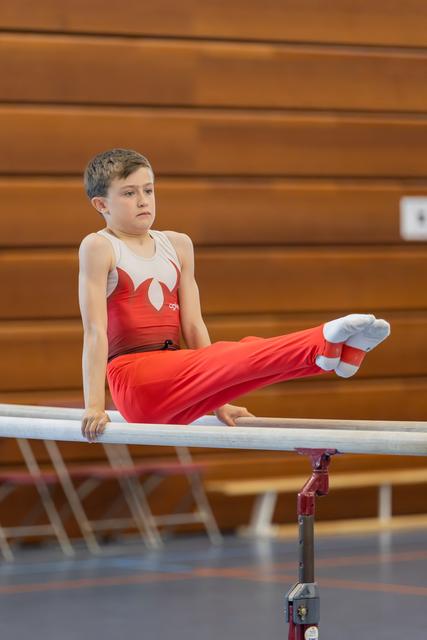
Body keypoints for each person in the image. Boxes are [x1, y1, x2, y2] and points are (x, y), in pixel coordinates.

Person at [79, 148, 390, 442]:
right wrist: (94, 404)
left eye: (148, 190)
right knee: (237, 354)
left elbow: (194, 327)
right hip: (136, 382)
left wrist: (217, 401)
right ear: (101, 205)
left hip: (180, 380)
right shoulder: (100, 247)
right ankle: (322, 340)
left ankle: (336, 355)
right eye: (129, 193)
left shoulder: (177, 245)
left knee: (245, 355)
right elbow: (95, 331)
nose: (143, 200)